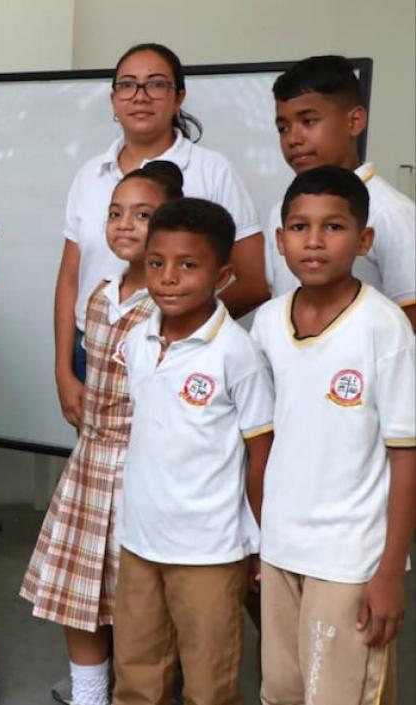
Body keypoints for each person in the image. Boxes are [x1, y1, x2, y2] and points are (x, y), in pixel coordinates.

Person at [250, 166, 415, 705]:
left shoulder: (383, 325)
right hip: (281, 546)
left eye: (334, 227)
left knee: (342, 696)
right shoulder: (269, 324)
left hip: (350, 557)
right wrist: (258, 538)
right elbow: (263, 441)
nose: (314, 241)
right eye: (299, 227)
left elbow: (406, 454)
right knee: (282, 691)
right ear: (280, 240)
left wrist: (391, 570)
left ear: (364, 239)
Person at [21, 161, 182, 705]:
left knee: (143, 603)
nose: (125, 225)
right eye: (116, 213)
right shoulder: (100, 294)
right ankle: (89, 694)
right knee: (78, 593)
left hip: (146, 471)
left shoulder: (171, 306)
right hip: (91, 465)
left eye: (143, 214)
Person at [53, 42, 266, 442]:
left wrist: (178, 331)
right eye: (128, 85)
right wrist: (63, 370)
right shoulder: (88, 175)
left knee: (163, 472)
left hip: (180, 356)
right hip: (94, 353)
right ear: (113, 99)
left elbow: (253, 282)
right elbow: (69, 280)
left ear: (178, 97)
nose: (140, 96)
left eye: (156, 84)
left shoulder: (213, 171)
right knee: (99, 478)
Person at [111, 197, 273, 705]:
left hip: (209, 550)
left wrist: (260, 541)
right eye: (157, 263)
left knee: (208, 682)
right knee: (137, 674)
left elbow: (261, 453)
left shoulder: (236, 354)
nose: (168, 278)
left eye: (188, 265)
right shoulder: (138, 340)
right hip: (141, 541)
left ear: (222, 274)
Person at [266, 55, 416, 330]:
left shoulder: (389, 211)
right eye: (282, 128)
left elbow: (410, 318)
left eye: (308, 121)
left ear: (355, 121)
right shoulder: (281, 211)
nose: (293, 139)